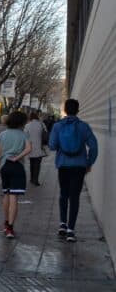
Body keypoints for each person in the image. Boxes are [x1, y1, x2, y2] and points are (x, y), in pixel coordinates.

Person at [48, 98, 98, 243]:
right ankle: (71, 230)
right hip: (79, 166)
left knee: (63, 194)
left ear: (65, 110)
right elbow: (94, 147)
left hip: (63, 165)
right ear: (78, 110)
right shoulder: (83, 126)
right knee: (74, 196)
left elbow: (51, 145)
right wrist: (89, 162)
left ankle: (62, 224)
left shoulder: (58, 126)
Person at [0, 111, 31, 239]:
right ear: (22, 122)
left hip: (4, 167)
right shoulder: (24, 134)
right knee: (14, 197)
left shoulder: (3, 134)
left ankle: (6, 222)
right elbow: (29, 149)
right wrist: (17, 157)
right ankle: (10, 228)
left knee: (6, 195)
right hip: (17, 166)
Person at [24, 111, 48, 186]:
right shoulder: (41, 124)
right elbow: (46, 133)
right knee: (37, 164)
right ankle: (36, 179)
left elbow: (25, 135)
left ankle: (31, 178)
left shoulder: (27, 125)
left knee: (32, 163)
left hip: (30, 147)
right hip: (40, 147)